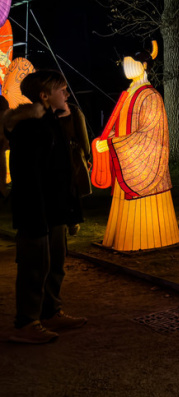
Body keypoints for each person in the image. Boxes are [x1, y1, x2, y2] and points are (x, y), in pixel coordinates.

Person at [6, 70, 86, 344]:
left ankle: (51, 311)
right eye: (61, 89)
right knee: (35, 266)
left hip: (54, 210)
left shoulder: (52, 122)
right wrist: (35, 216)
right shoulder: (30, 128)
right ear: (44, 96)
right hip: (36, 212)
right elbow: (29, 176)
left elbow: (62, 170)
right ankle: (26, 323)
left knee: (55, 264)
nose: (66, 93)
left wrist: (70, 209)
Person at [93, 41, 179, 252]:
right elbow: (119, 125)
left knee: (147, 216)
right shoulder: (128, 94)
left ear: (144, 66)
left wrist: (114, 144)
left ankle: (149, 239)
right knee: (123, 209)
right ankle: (120, 238)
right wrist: (107, 140)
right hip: (125, 156)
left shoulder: (151, 96)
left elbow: (151, 134)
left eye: (131, 63)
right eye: (124, 64)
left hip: (141, 161)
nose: (127, 68)